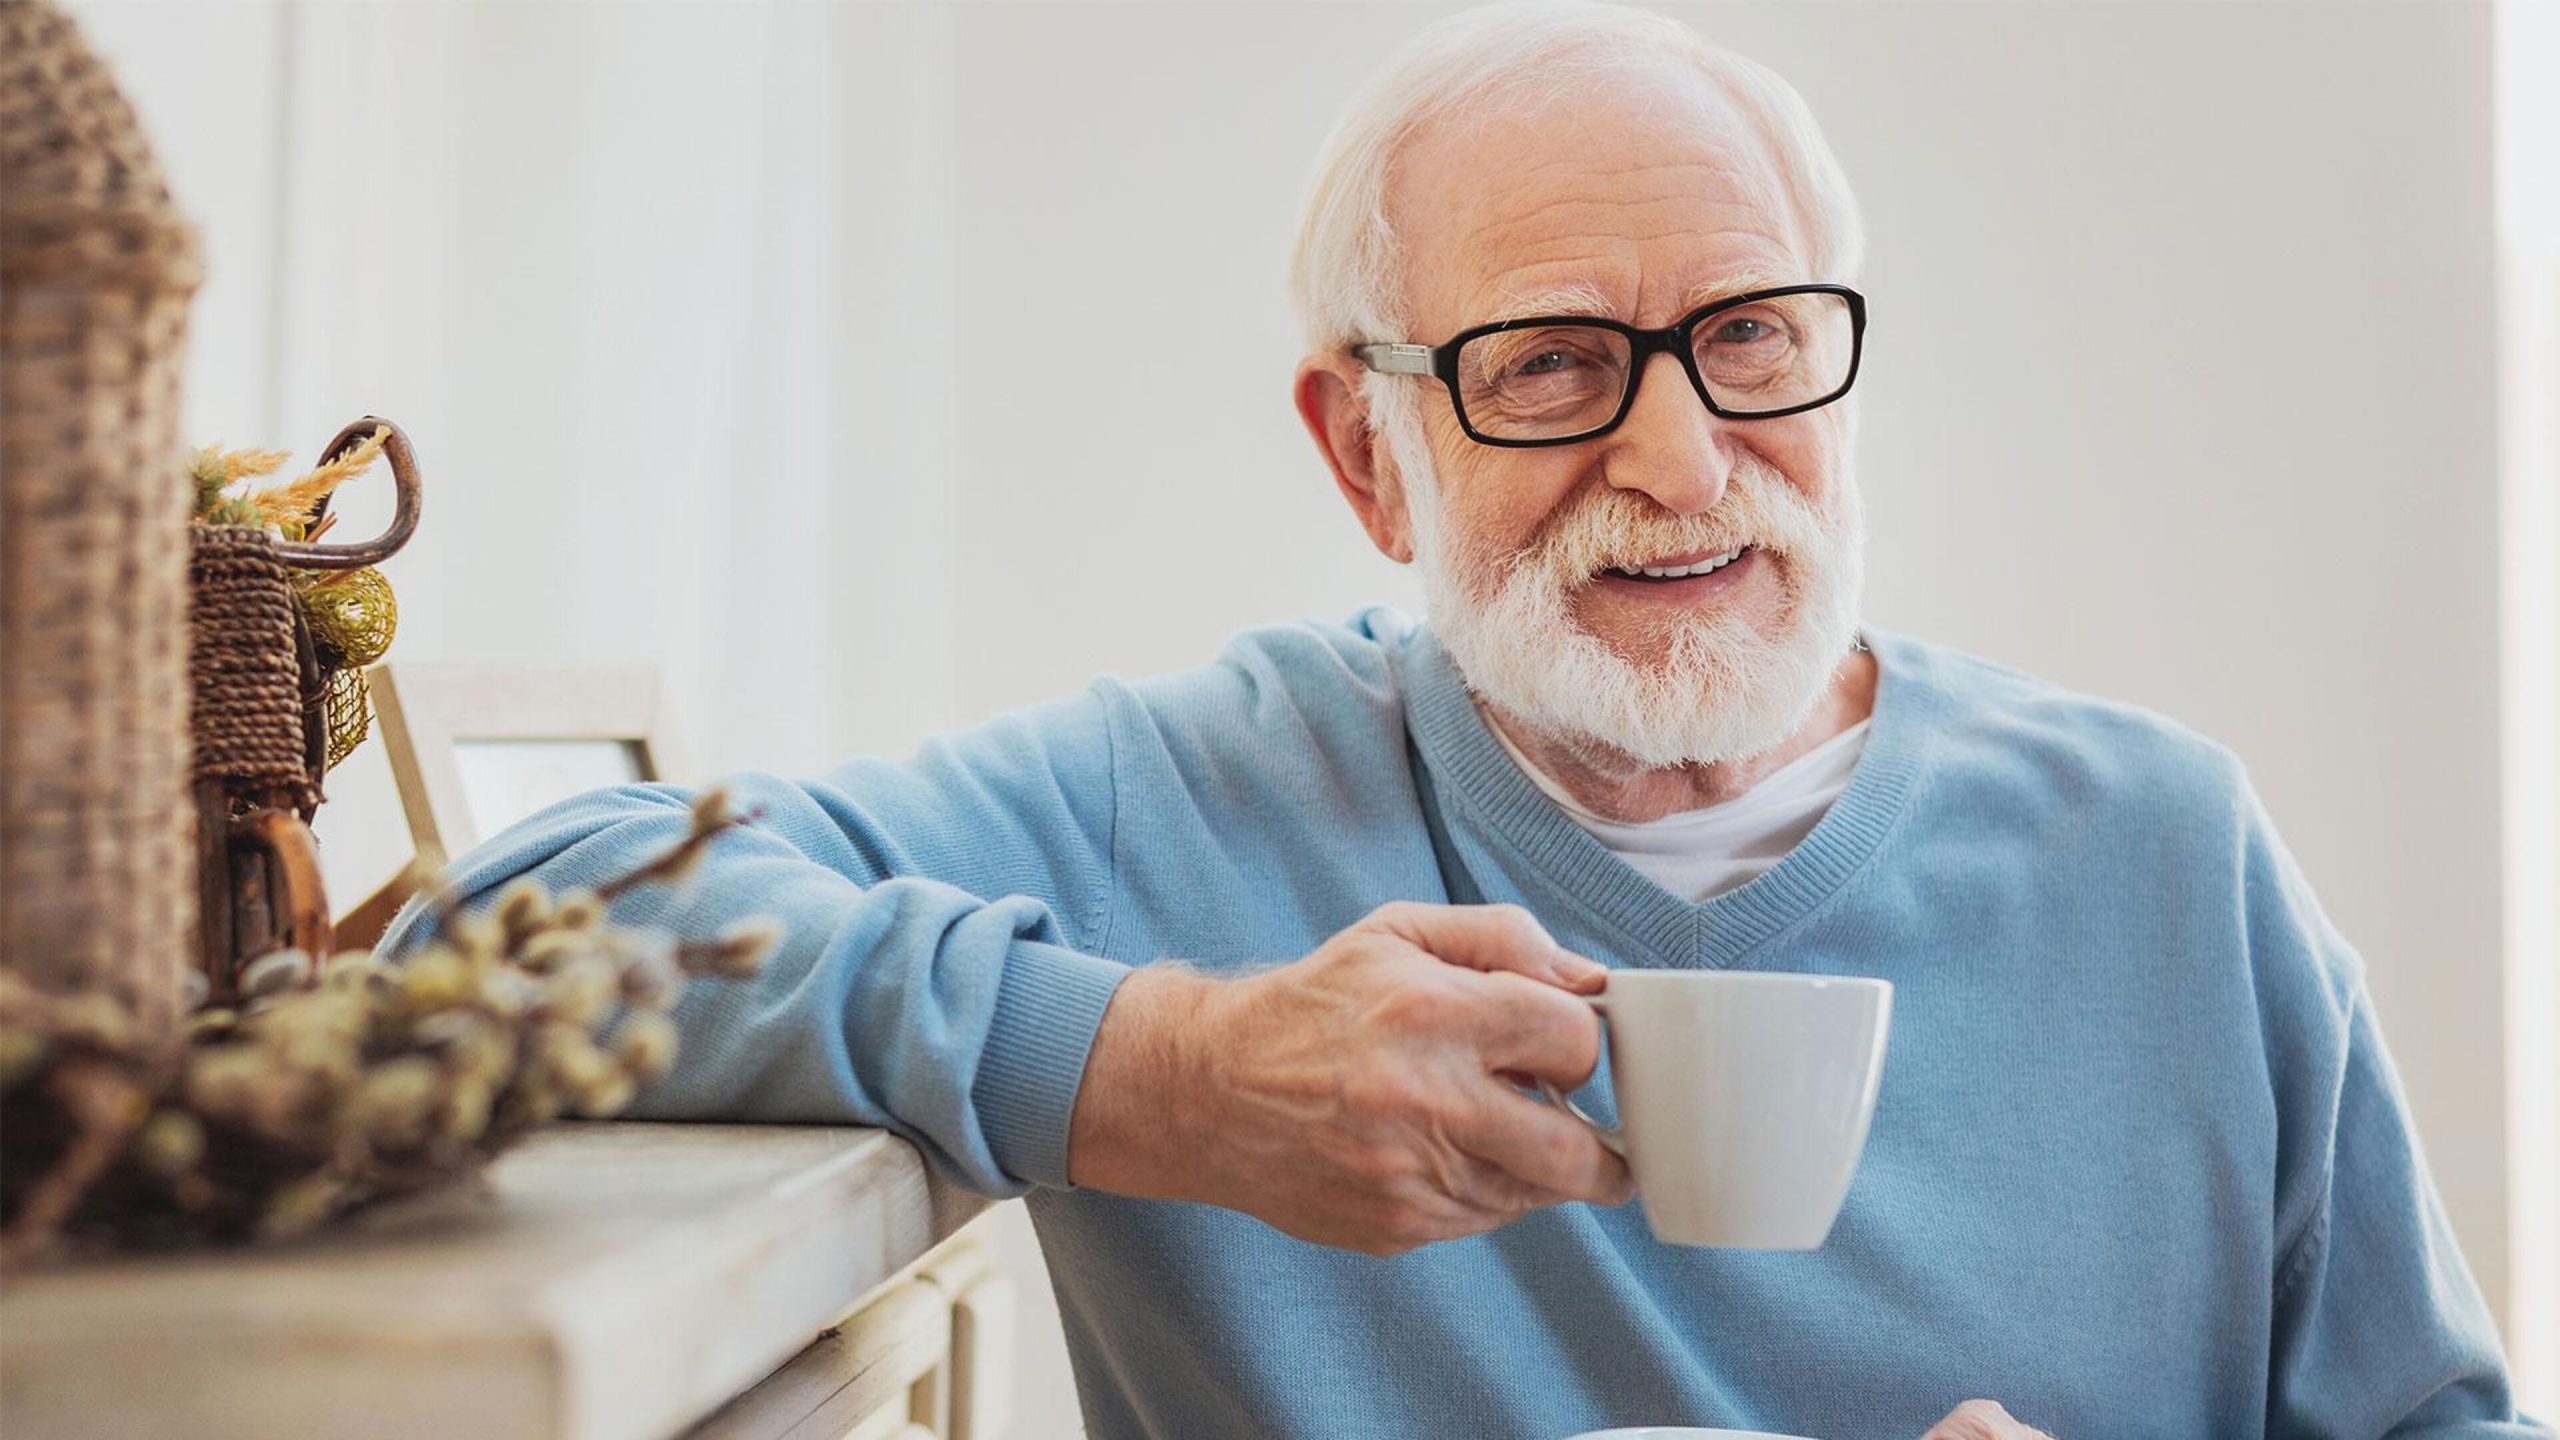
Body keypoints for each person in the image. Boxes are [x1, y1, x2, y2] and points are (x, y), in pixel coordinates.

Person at [382, 4, 2545, 1436]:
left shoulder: (2162, 854)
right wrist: (1154, 1075)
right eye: (1545, 368)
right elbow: (490, 939)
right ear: (1363, 453)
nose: (1685, 461)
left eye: (1756, 340)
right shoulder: (1188, 805)